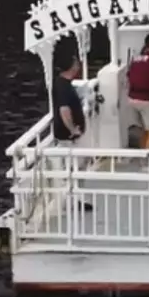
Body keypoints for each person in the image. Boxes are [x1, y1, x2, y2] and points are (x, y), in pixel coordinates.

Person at [52, 53, 93, 212]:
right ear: (71, 66)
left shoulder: (63, 83)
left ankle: (76, 199)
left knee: (79, 166)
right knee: (74, 168)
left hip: (71, 135)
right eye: (76, 62)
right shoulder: (63, 86)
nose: (79, 65)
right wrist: (73, 130)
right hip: (70, 137)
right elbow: (64, 110)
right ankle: (70, 202)